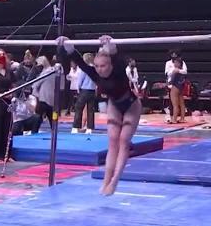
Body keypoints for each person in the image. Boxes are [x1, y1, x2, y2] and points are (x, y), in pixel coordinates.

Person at [57, 35, 142, 196]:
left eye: (103, 66)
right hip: (114, 105)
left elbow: (116, 53)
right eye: (97, 66)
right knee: (112, 141)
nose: (100, 69)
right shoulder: (94, 72)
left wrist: (109, 44)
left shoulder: (118, 67)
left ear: (110, 64)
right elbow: (79, 60)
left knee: (124, 141)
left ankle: (115, 181)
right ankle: (105, 181)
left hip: (132, 105)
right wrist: (67, 43)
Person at [72, 53, 97, 134]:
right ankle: (90, 128)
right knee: (90, 110)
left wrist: (78, 88)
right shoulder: (95, 68)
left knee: (78, 108)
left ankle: (76, 127)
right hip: (92, 90)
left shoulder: (85, 68)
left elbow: (80, 79)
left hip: (85, 90)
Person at [32, 56, 56, 128]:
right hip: (51, 97)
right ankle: (54, 130)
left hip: (43, 98)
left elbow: (36, 84)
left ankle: (34, 130)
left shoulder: (46, 72)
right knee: (51, 117)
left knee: (38, 116)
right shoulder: (53, 71)